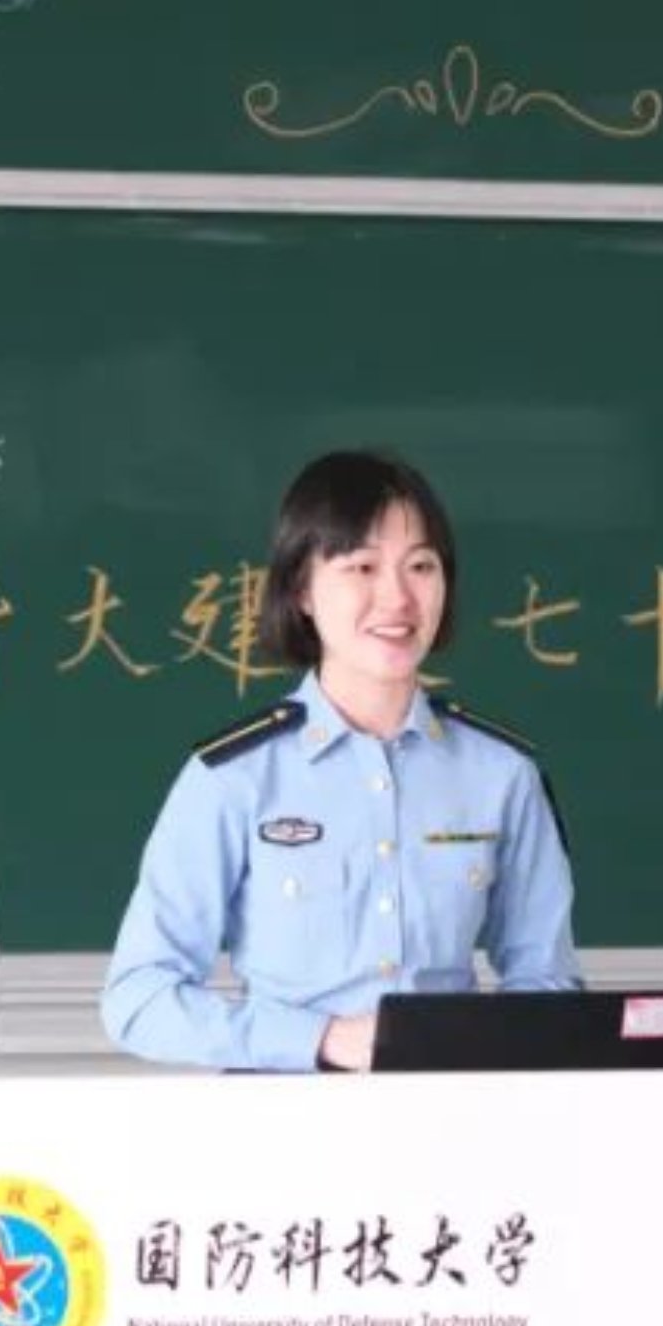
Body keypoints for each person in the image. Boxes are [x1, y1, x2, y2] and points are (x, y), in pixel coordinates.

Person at [100, 448, 581, 1072]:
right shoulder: (233, 778)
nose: (397, 598)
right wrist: (324, 1039)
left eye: (421, 566)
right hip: (281, 1120)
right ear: (302, 589)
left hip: (454, 1115)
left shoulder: (502, 774)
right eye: (362, 567)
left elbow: (548, 984)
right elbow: (139, 999)